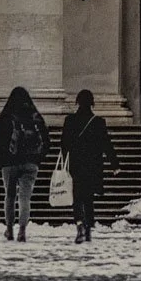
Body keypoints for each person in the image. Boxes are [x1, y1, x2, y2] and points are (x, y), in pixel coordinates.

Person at [0, 86, 50, 242]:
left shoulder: (5, 117)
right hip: (30, 163)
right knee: (25, 198)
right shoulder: (35, 117)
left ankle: (9, 229)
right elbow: (47, 141)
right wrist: (38, 158)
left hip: (9, 162)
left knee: (10, 196)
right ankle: (22, 230)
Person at [60, 90, 119, 244]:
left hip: (75, 165)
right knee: (88, 198)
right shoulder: (98, 121)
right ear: (92, 102)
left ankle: (79, 223)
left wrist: (65, 162)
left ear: (77, 102)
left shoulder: (70, 120)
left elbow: (64, 144)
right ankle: (88, 228)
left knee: (77, 197)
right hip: (93, 165)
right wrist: (114, 164)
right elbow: (106, 144)